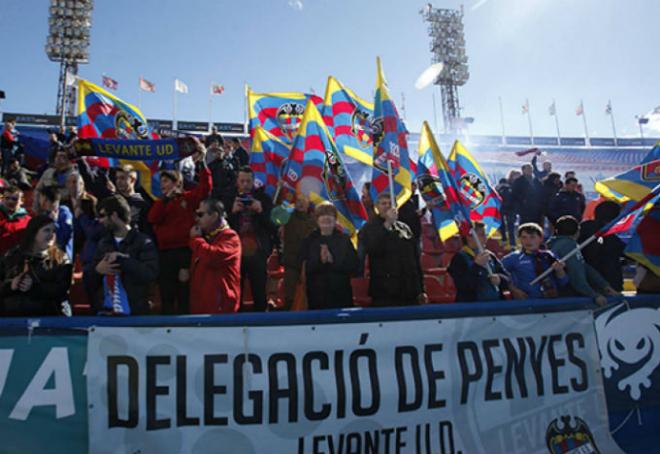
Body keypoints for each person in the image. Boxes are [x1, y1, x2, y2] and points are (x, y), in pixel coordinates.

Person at [148, 144, 211, 314]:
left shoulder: (188, 199)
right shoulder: (160, 203)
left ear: (178, 183)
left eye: (166, 181)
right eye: (161, 182)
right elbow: (153, 218)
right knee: (167, 292)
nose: (163, 185)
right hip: (165, 253)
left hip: (184, 251)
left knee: (184, 289)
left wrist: (203, 162)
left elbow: (205, 189)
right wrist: (166, 200)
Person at [89, 195, 159, 315]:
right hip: (106, 313)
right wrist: (97, 270)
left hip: (134, 312)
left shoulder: (143, 242)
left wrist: (123, 260)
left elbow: (150, 273)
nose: (100, 220)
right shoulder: (103, 243)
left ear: (114, 215)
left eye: (102, 215)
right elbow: (90, 280)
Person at [359, 192, 427, 307]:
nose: (387, 206)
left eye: (390, 203)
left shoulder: (404, 228)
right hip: (385, 291)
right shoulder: (369, 227)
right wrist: (387, 224)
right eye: (383, 203)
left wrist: (421, 289)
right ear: (377, 207)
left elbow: (414, 260)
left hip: (408, 290)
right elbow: (373, 247)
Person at [226, 166, 277, 312]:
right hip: (235, 251)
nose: (245, 185)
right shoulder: (228, 197)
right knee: (236, 289)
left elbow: (274, 226)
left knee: (259, 289)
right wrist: (232, 212)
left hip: (258, 250)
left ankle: (261, 320)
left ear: (254, 182)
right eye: (242, 181)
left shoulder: (263, 198)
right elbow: (219, 226)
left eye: (248, 181)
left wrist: (261, 211)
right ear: (237, 182)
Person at [0, 215, 72, 316]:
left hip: (48, 318)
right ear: (34, 233)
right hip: (12, 318)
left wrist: (34, 287)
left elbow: (62, 289)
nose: (52, 235)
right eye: (46, 230)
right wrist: (11, 285)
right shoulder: (12, 256)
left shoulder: (61, 259)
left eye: (54, 231)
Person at [299, 202, 359, 310]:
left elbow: (354, 266)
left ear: (335, 219)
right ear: (317, 220)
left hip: (341, 294)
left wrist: (333, 261)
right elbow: (303, 267)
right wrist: (320, 261)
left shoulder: (344, 240)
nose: (326, 218)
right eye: (322, 215)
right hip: (316, 295)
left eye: (329, 215)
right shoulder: (309, 240)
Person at [548, 216, 618, 305]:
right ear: (578, 232)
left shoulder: (552, 244)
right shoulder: (569, 246)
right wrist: (594, 295)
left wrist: (604, 285)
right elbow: (576, 274)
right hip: (567, 297)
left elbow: (584, 266)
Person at [189, 198, 242, 314]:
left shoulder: (230, 237)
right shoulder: (206, 238)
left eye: (201, 214)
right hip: (201, 308)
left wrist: (196, 240)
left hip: (220, 309)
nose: (197, 218)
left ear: (214, 216)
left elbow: (212, 257)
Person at [502, 223, 568, 299]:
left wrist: (559, 271)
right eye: (524, 237)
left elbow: (564, 281)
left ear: (541, 238)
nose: (528, 241)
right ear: (519, 239)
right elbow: (499, 275)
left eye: (532, 237)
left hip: (551, 301)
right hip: (527, 302)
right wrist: (513, 290)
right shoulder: (513, 258)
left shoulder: (550, 256)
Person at [447, 222, 509, 302]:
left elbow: (507, 278)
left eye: (485, 234)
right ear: (469, 237)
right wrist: (477, 266)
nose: (485, 238)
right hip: (472, 307)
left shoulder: (490, 255)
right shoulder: (459, 258)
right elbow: (463, 286)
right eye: (481, 235)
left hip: (495, 304)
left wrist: (500, 279)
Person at [579, 200, 626, 291]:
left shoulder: (582, 229)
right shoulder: (611, 238)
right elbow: (627, 252)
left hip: (586, 283)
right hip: (610, 285)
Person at [281, 192, 316, 310]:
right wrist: (286, 201)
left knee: (310, 295)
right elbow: (276, 216)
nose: (301, 203)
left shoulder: (314, 219)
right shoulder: (288, 217)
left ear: (309, 203)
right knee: (289, 295)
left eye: (303, 200)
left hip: (309, 263)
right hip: (291, 261)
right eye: (298, 201)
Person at [34, 185, 74, 260]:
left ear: (45, 200)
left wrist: (55, 222)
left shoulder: (64, 213)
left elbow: (65, 237)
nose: (39, 201)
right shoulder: (43, 214)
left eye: (41, 197)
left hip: (62, 257)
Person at [0, 185, 31, 256]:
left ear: (22, 201)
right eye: (7, 198)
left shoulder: (28, 221)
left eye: (14, 199)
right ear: (2, 199)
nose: (10, 201)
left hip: (16, 262)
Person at [496, 173, 516, 248]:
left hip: (501, 207)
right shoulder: (510, 187)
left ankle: (504, 239)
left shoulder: (497, 187)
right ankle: (512, 243)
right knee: (511, 226)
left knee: (502, 224)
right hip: (511, 208)